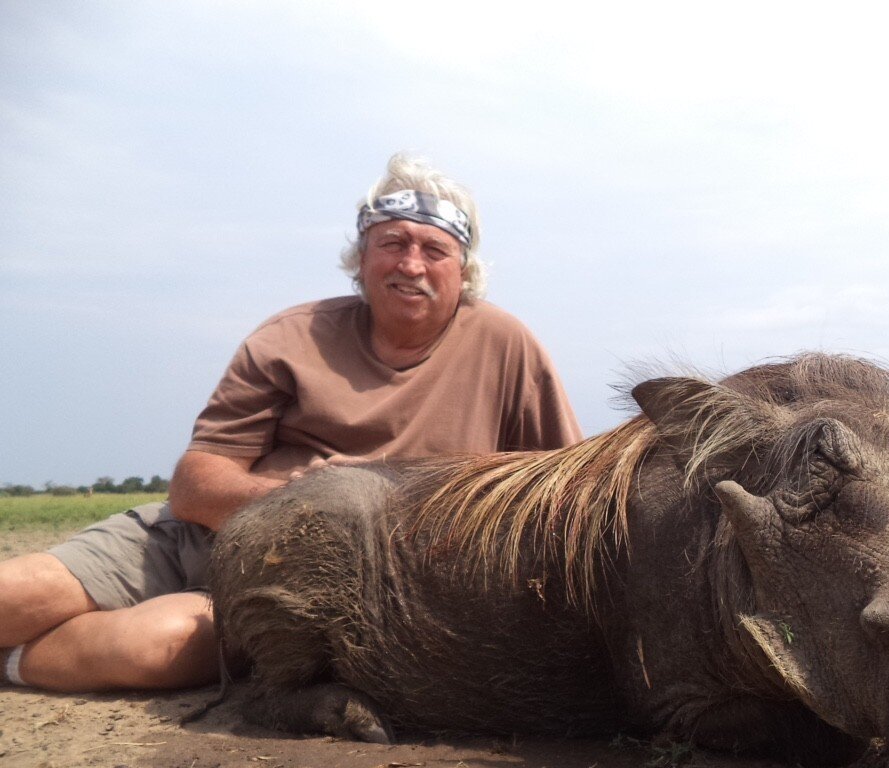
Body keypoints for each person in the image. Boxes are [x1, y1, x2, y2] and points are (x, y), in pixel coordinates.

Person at [0, 153, 582, 694]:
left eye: (434, 250)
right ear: (361, 257)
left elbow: (568, 490)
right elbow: (194, 483)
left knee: (157, 645)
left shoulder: (508, 346)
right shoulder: (291, 336)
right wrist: (300, 502)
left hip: (306, 591)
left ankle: (13, 663)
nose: (411, 264)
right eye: (392, 243)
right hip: (201, 537)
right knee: (17, 592)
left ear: (464, 269)